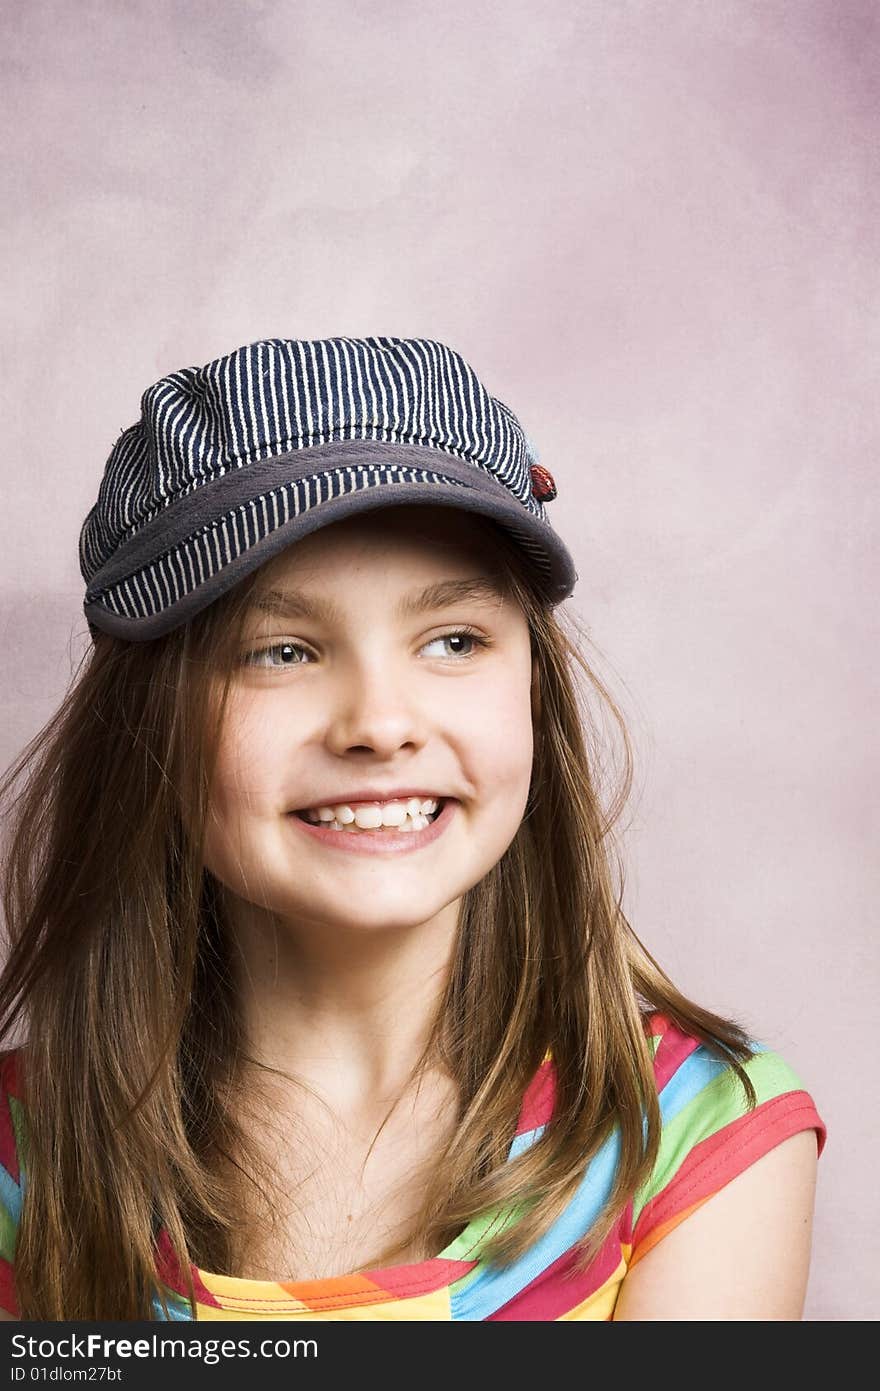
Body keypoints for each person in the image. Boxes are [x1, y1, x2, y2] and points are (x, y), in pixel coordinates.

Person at [0, 336, 824, 1322]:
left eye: (453, 639)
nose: (381, 723)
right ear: (148, 721)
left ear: (531, 685)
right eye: (282, 650)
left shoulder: (691, 1136)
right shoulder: (25, 1158)